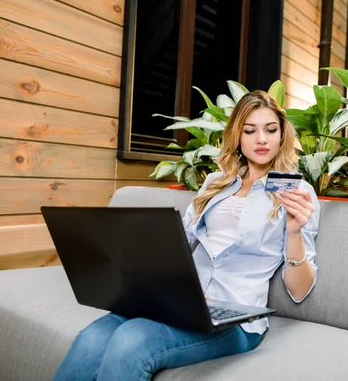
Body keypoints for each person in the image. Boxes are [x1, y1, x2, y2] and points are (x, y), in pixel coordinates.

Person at [52, 90, 320, 380]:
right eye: (250, 130)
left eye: (271, 130)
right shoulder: (217, 183)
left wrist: (294, 233)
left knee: (132, 340)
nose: (262, 139)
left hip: (236, 318)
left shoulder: (297, 192)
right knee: (90, 339)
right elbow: (178, 241)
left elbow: (299, 290)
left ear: (282, 135)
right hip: (185, 302)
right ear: (238, 137)